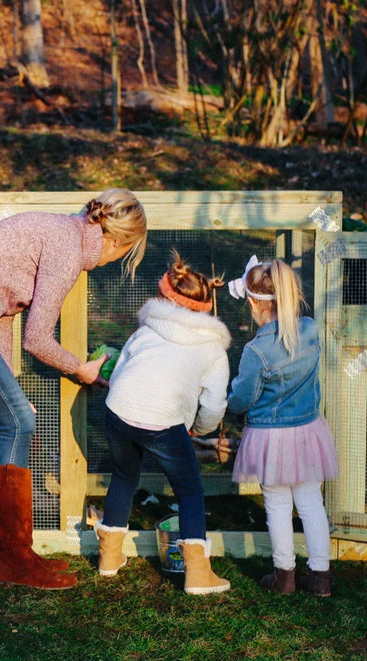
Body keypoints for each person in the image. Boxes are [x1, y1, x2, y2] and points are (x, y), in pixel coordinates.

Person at [0, 189, 148, 590]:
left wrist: (8, 390)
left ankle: (18, 555)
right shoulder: (67, 249)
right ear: (118, 241)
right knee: (18, 422)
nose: (113, 261)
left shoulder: (59, 231)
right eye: (123, 253)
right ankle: (13, 559)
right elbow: (37, 339)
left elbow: (2, 313)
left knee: (14, 419)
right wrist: (80, 369)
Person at [95, 251, 232, 595]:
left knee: (124, 476)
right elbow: (214, 403)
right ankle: (198, 573)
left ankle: (108, 559)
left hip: (120, 409)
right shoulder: (213, 348)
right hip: (165, 421)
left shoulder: (146, 329)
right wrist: (200, 431)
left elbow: (123, 367)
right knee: (189, 490)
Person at [226, 256, 339, 597]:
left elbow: (242, 399)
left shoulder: (256, 350)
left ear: (251, 302)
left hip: (270, 438)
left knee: (276, 504)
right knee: (310, 503)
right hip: (307, 431)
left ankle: (284, 576)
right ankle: (320, 577)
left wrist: (228, 402)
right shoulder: (309, 329)